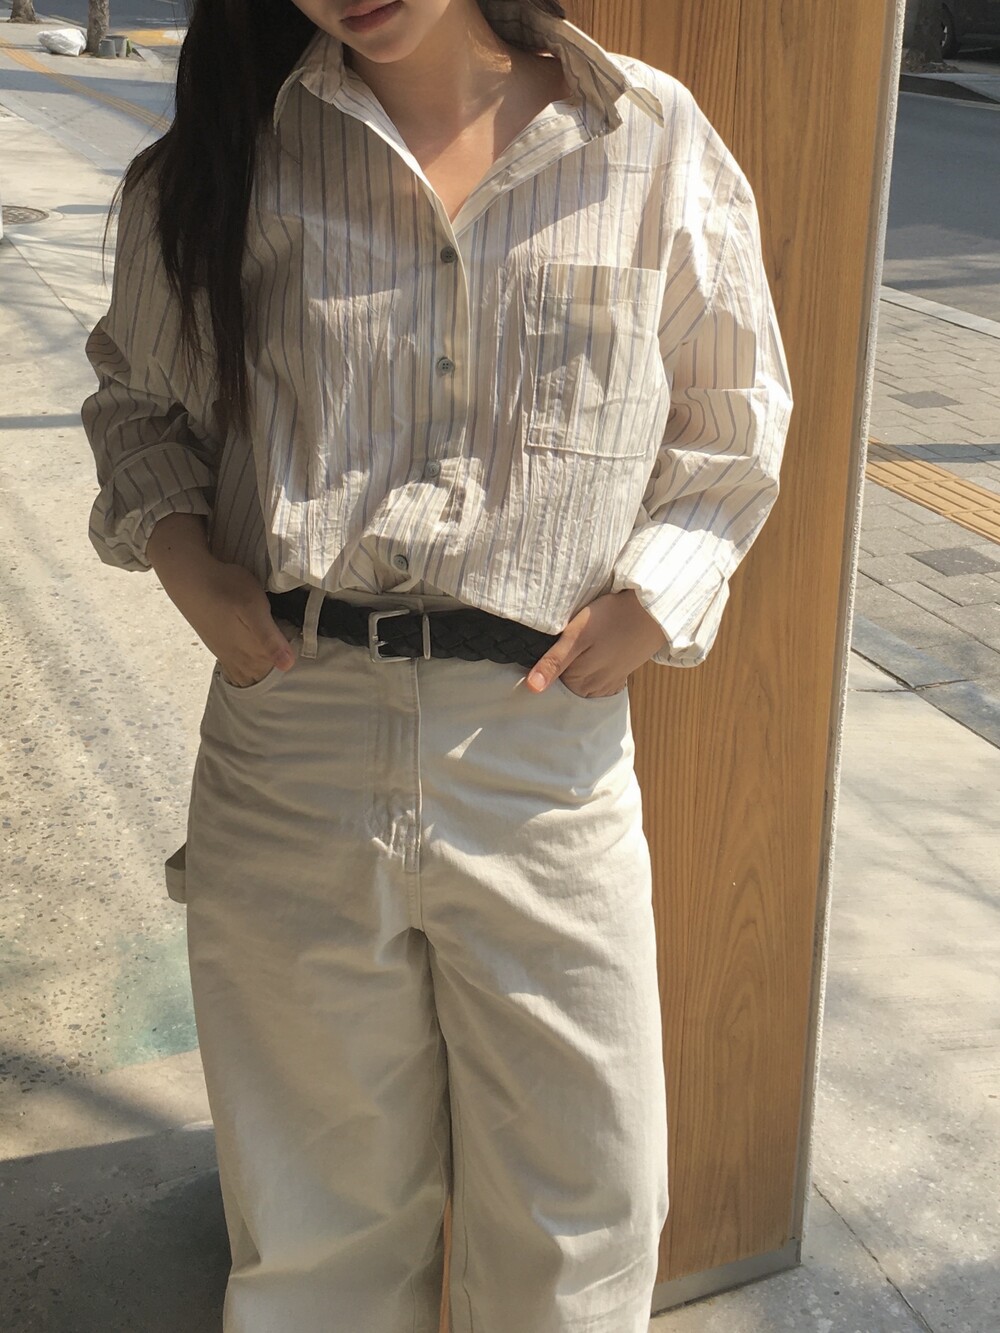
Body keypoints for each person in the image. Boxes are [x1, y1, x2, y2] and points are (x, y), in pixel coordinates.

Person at [82, 0, 793, 1329]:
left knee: (587, 1213)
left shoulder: (641, 132)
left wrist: (655, 598)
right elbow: (137, 400)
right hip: (295, 729)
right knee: (315, 1229)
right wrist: (190, 566)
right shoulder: (237, 152)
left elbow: (734, 418)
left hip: (540, 748)